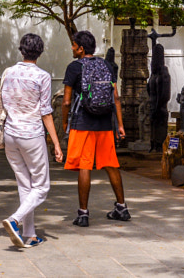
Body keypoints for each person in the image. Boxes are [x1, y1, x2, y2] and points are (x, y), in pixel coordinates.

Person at [0, 34, 64, 248]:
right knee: (41, 186)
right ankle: (15, 220)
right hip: (31, 135)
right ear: (40, 52)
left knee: (25, 185)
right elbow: (46, 113)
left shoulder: (8, 73)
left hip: (10, 134)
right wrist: (56, 143)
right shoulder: (42, 76)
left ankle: (30, 234)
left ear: (21, 50)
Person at [62, 30, 130, 227]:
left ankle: (83, 214)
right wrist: (120, 124)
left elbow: (66, 102)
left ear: (81, 49)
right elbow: (115, 97)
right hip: (105, 124)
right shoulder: (107, 65)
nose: (72, 49)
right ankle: (122, 207)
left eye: (74, 46)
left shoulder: (74, 67)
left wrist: (65, 123)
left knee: (85, 165)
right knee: (111, 164)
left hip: (82, 123)